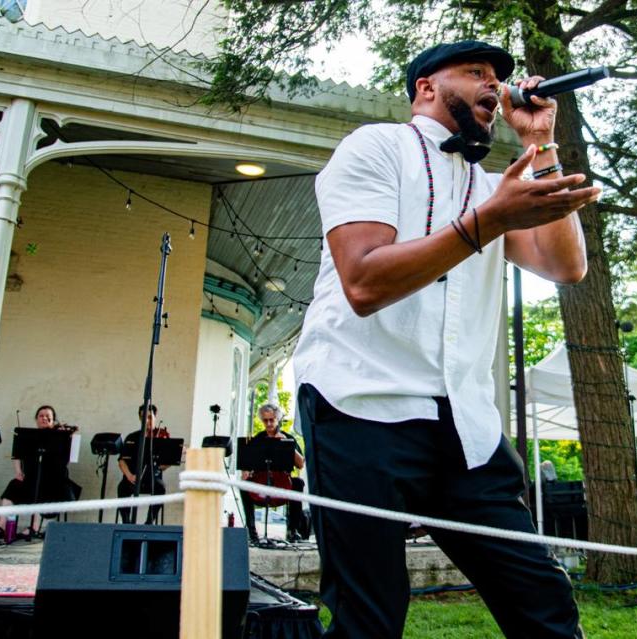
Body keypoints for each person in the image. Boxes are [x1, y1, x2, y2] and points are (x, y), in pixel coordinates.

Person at [292, 40, 600, 638]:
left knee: (543, 601)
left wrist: (539, 146)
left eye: (499, 78)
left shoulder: (492, 186)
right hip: (360, 405)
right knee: (369, 619)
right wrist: (492, 220)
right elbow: (362, 281)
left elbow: (566, 268)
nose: (495, 85)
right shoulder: (375, 147)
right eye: (476, 72)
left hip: (466, 422)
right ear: (426, 87)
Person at [0, 405, 80, 540]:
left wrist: (66, 436)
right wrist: (18, 472)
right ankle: (1, 525)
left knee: (41, 487)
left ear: (53, 420)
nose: (45, 418)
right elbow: (17, 454)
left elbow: (68, 459)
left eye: (49, 416)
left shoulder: (60, 436)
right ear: (36, 419)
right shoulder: (27, 436)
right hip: (30, 477)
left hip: (54, 481)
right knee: (12, 487)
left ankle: (34, 527)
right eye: (41, 416)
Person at [239, 402, 306, 544]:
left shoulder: (288, 437)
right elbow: (246, 462)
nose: (269, 423)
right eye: (265, 420)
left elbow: (300, 464)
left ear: (277, 419)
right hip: (261, 483)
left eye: (272, 420)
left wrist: (287, 444)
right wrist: (245, 471)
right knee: (243, 485)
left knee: (298, 483)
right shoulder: (257, 439)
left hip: (283, 485)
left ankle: (293, 530)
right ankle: (251, 531)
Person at [116, 403, 170, 525]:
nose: (147, 420)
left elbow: (162, 466)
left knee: (160, 488)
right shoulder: (132, 437)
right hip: (133, 478)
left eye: (150, 417)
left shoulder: (161, 437)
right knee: (122, 488)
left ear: (156, 417)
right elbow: (122, 461)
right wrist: (129, 475)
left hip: (152, 479)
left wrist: (171, 460)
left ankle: (149, 522)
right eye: (144, 417)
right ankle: (126, 523)